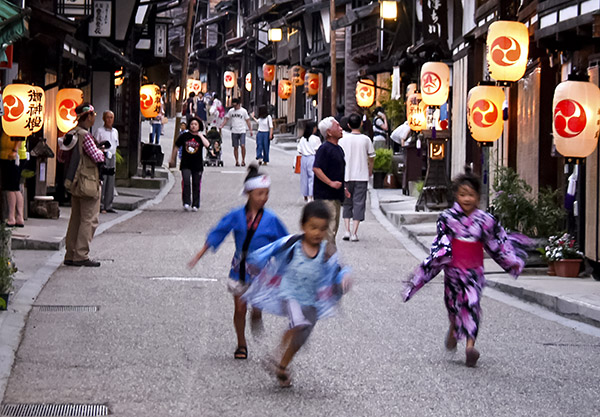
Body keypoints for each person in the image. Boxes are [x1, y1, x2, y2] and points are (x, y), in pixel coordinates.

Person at [402, 169, 530, 367]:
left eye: (470, 195)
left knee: (472, 305)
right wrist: (430, 266)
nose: (466, 199)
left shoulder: (485, 220)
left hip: (474, 272)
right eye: (462, 194)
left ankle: (470, 346)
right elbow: (441, 245)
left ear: (478, 196)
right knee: (453, 305)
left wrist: (510, 259)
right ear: (456, 195)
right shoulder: (447, 218)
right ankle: (454, 327)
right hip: (453, 271)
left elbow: (497, 243)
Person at [242, 200, 352, 387]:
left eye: (322, 229)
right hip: (290, 295)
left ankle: (282, 367)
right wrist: (253, 262)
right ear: (303, 226)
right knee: (298, 322)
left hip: (311, 301)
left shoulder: (327, 250)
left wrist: (344, 278)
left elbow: (339, 266)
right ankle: (276, 354)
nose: (317, 233)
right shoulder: (293, 244)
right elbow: (271, 251)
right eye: (313, 227)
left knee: (301, 337)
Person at [188, 164, 288, 360]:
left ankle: (257, 313)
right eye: (260, 194)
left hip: (262, 271)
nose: (264, 198)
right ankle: (241, 343)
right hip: (240, 269)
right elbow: (219, 231)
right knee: (240, 308)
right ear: (249, 193)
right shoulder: (236, 215)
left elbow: (285, 242)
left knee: (256, 306)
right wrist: (201, 252)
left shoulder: (271, 219)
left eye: (266, 193)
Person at [62, 103, 105, 267]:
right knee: (89, 219)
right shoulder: (85, 136)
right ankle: (81, 254)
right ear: (88, 116)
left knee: (76, 219)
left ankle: (70, 253)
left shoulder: (71, 133)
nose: (94, 118)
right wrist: (101, 151)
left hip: (74, 181)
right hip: (87, 181)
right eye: (93, 115)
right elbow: (97, 157)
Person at [339, 113, 375, 242]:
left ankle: (347, 230)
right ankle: (354, 232)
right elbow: (371, 157)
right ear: (360, 124)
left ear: (348, 125)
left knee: (347, 203)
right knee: (359, 203)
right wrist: (370, 170)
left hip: (346, 175)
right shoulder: (366, 139)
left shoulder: (342, 140)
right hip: (361, 175)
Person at [313, 117, 349, 244]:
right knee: (327, 231)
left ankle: (328, 257)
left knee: (333, 229)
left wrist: (343, 187)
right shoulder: (324, 149)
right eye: (337, 126)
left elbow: (337, 171)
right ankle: (327, 258)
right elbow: (316, 168)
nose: (341, 129)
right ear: (329, 132)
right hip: (325, 196)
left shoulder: (338, 149)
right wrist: (330, 183)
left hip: (336, 196)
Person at [175, 117, 210, 212]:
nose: (193, 126)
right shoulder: (184, 136)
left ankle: (195, 204)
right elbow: (176, 146)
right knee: (186, 182)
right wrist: (172, 158)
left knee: (196, 184)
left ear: (199, 126)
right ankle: (186, 202)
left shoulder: (200, 137)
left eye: (195, 124)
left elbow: (207, 145)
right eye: (192, 124)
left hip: (197, 164)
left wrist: (200, 135)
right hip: (185, 163)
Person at [0, 132, 25, 227]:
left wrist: (15, 150)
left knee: (10, 187)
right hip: (9, 154)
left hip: (12, 155)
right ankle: (19, 217)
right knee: (15, 187)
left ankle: (11, 217)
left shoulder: (16, 122)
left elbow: (21, 136)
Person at [96, 110, 119, 214]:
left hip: (112, 156)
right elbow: (97, 145)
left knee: (111, 180)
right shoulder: (99, 131)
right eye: (108, 117)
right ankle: (100, 205)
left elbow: (116, 145)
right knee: (103, 180)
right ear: (104, 119)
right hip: (103, 156)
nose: (109, 120)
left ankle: (108, 205)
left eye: (111, 117)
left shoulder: (115, 132)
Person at [221, 98, 253, 167]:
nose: (234, 107)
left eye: (236, 105)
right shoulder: (231, 111)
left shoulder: (243, 111)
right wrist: (222, 126)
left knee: (242, 145)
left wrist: (250, 130)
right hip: (234, 130)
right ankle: (237, 161)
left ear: (239, 104)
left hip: (242, 130)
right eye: (233, 106)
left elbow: (248, 120)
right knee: (235, 147)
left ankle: (243, 160)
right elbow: (226, 119)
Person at [296, 121, 321, 202]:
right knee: (312, 177)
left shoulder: (302, 139)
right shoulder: (316, 138)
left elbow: (299, 150)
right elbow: (318, 149)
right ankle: (311, 195)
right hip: (312, 158)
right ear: (313, 128)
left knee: (304, 177)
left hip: (304, 158)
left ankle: (305, 195)